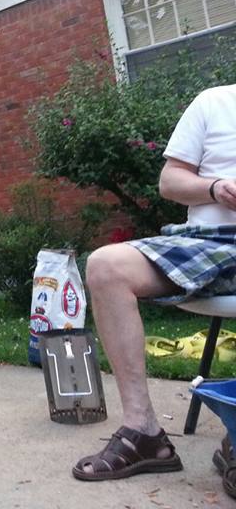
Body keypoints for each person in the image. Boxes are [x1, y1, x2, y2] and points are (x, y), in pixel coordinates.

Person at [73, 84, 236, 482]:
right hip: (207, 242)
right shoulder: (213, 102)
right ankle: (144, 432)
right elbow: (170, 181)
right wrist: (215, 188)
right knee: (105, 266)